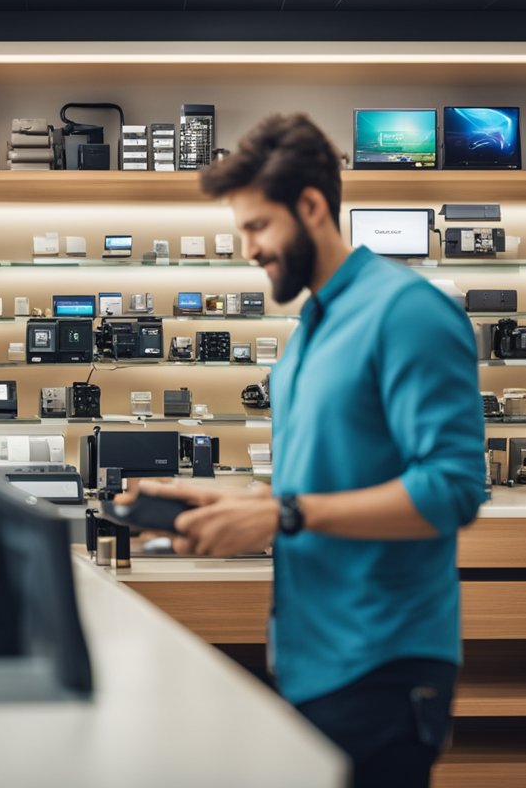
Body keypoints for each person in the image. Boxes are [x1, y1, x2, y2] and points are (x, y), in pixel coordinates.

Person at [128, 113, 487, 788]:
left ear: (313, 206)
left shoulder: (406, 312)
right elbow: (321, 484)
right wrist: (236, 505)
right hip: (312, 656)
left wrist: (282, 515)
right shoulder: (310, 329)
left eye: (258, 226)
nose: (247, 248)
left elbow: (453, 489)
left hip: (384, 661)